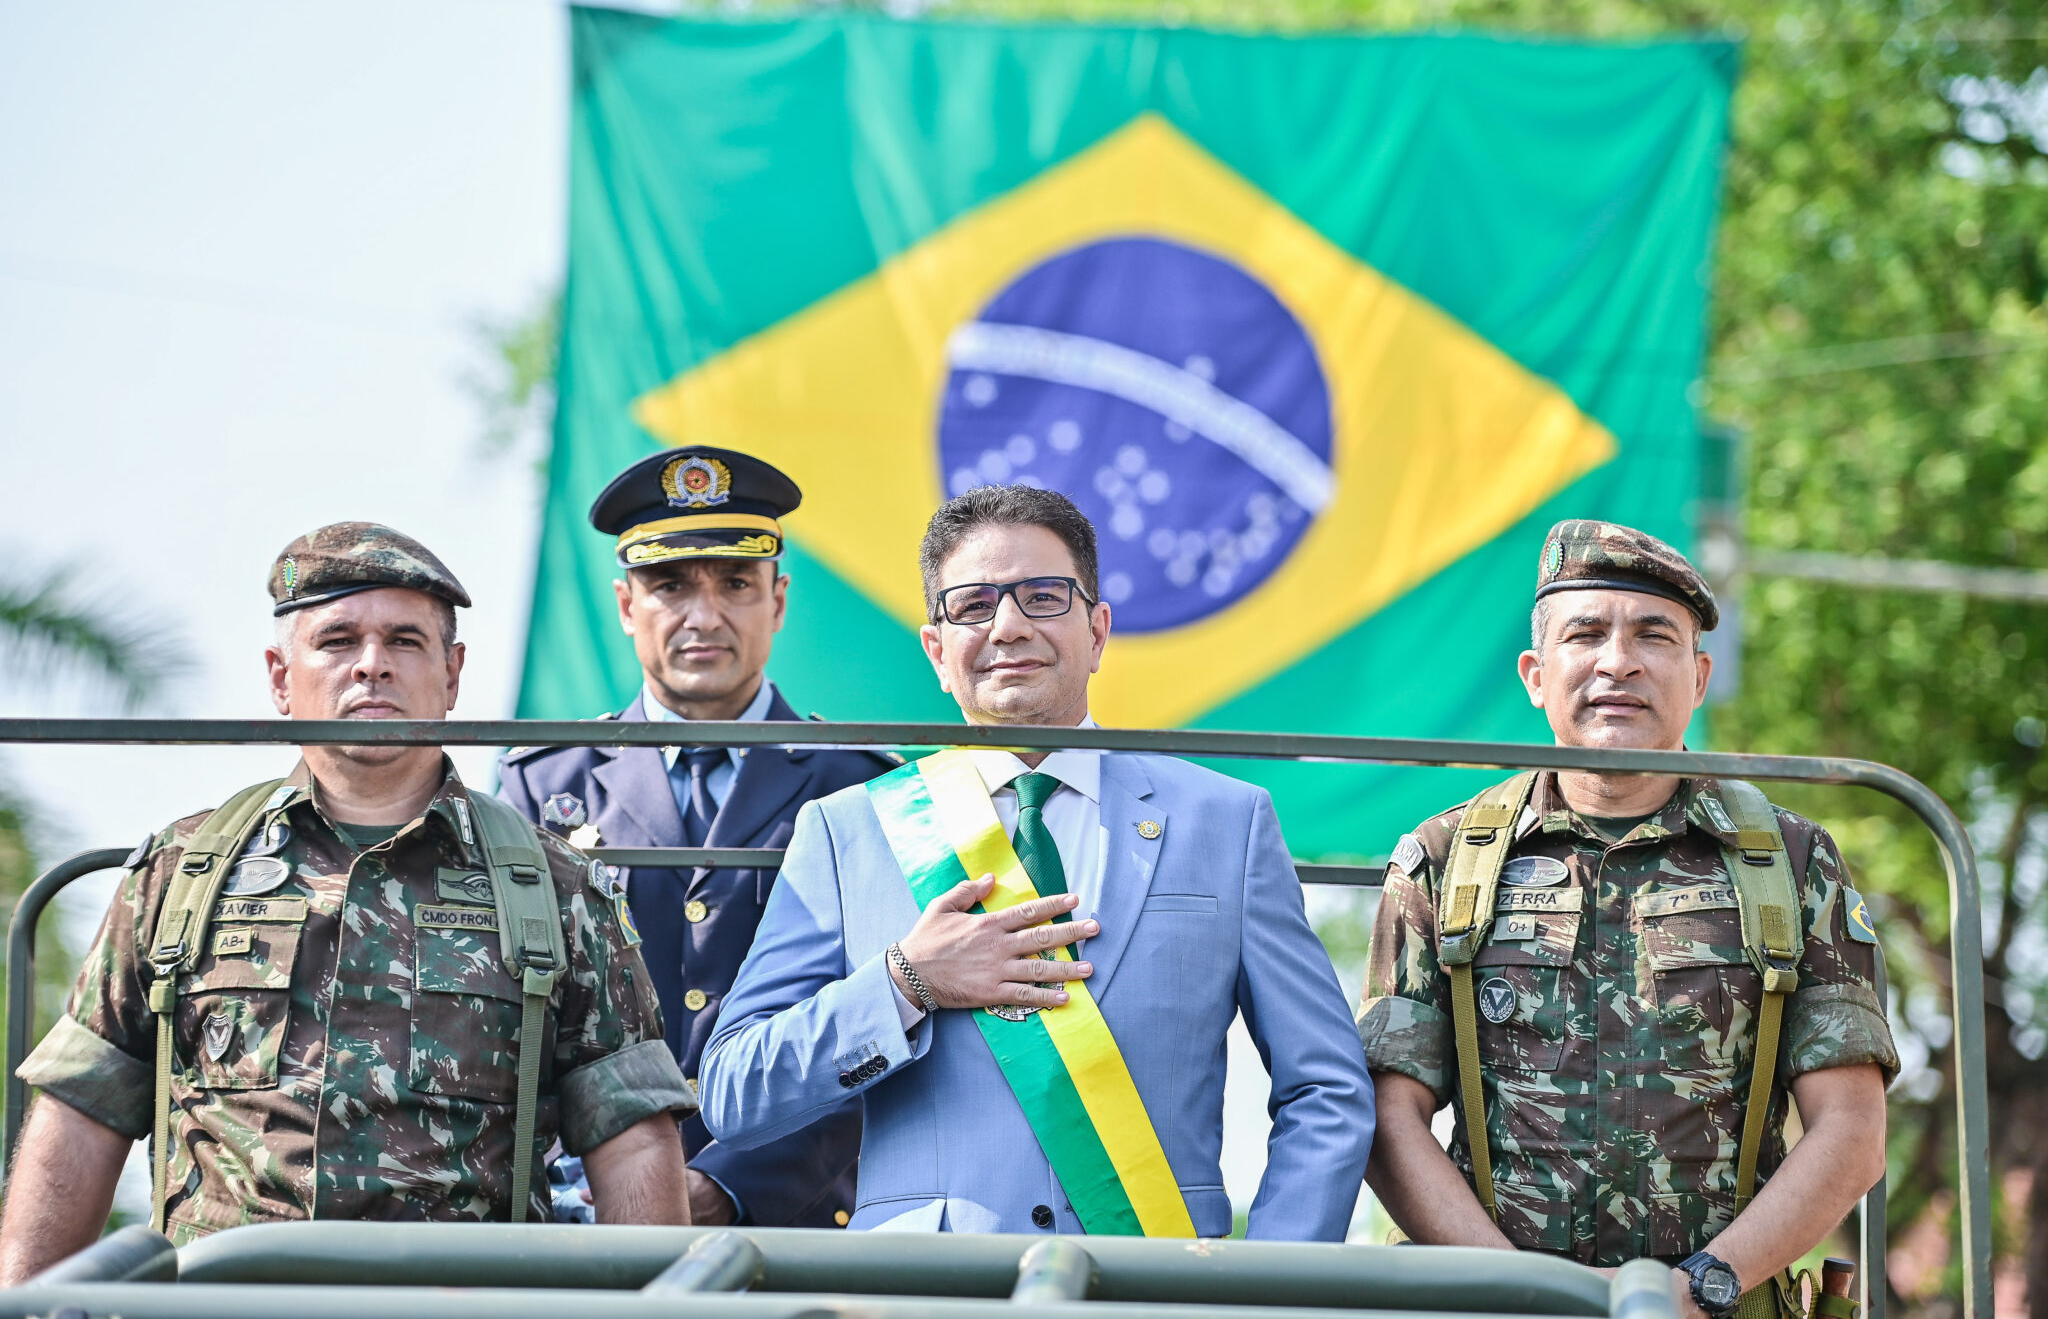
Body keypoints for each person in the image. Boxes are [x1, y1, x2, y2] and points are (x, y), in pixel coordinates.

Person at [0, 523, 693, 1280]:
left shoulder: (555, 890)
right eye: (337, 640)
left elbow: (631, 1135)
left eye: (404, 641)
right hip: (222, 1305)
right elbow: (81, 1110)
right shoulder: (181, 875)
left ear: (452, 674)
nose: (372, 666)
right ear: (279, 674)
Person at [699, 485, 1373, 1239]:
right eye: (974, 605)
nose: (1009, 627)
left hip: (1159, 1291)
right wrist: (905, 982)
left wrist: (1270, 1281)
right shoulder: (848, 829)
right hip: (925, 1298)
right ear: (937, 651)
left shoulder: (1226, 822)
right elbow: (734, 1092)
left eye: (1044, 597)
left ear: (1098, 629)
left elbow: (1327, 1089)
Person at [1358, 520, 1896, 1318]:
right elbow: (1385, 1120)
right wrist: (1515, 1290)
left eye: (1655, 635)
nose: (1619, 662)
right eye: (1586, 634)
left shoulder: (1791, 861)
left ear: (1700, 675)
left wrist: (1704, 1286)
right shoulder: (1443, 862)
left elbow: (1852, 1130)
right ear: (1537, 675)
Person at [501, 446, 892, 1228]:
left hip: (797, 1223)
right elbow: (519, 1022)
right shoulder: (543, 783)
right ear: (624, 605)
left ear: (778, 601)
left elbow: (888, 1019)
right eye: (670, 586)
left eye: (735, 585)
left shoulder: (864, 784)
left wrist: (733, 1185)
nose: (702, 616)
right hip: (586, 1217)